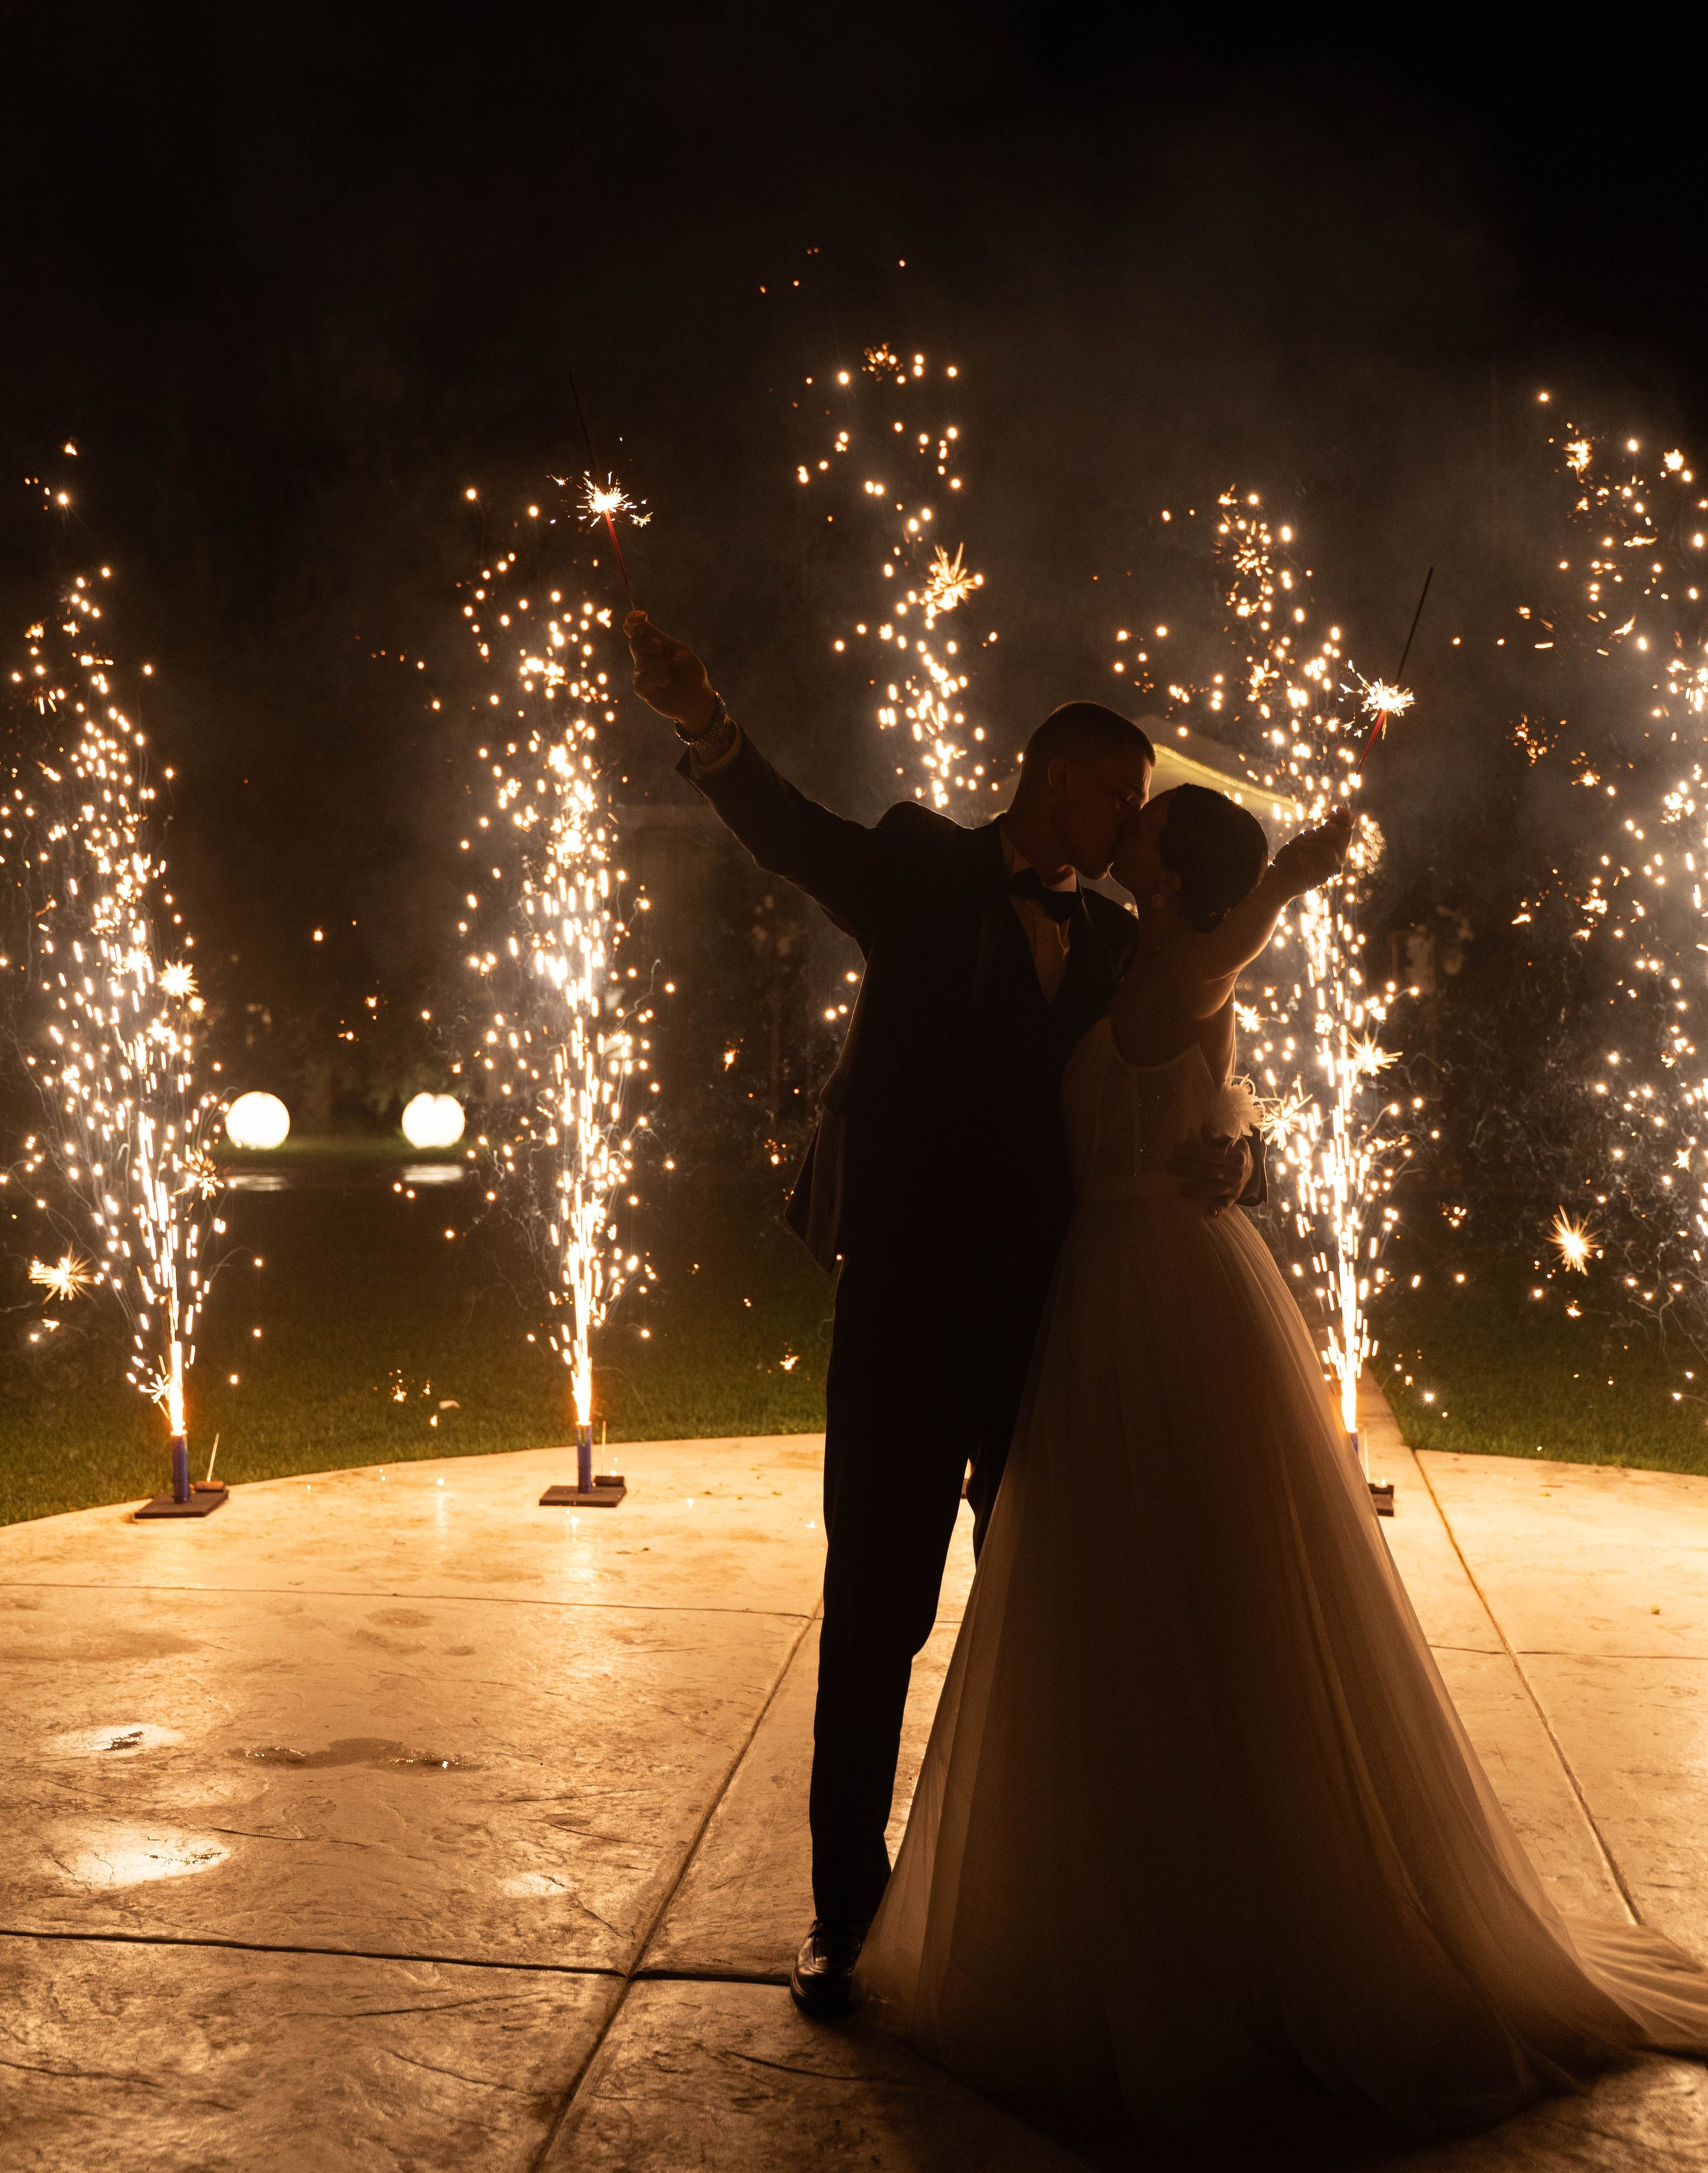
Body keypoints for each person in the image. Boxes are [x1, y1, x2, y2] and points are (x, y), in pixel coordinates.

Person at [857, 781, 1708, 2142]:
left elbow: (1221, 968)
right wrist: (1238, 1140)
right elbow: (1198, 1083)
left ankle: (1231, 1937)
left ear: (1180, 873)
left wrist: (1297, 872)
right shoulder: (1139, 958)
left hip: (1163, 1296)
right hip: (1106, 1289)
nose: (1120, 826)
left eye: (1143, 824)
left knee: (1207, 1585)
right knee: (1117, 1604)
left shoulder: (1196, 951)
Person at [625, 608, 1260, 2016]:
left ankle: (1047, 1903)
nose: (1133, 811)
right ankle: (844, 1919)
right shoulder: (918, 862)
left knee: (1052, 1615)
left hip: (1055, 1329)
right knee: (874, 1613)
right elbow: (792, 833)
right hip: (907, 1314)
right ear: (1055, 778)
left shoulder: (1115, 938)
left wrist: (1239, 1153)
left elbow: (1188, 1079)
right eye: (1120, 786)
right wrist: (702, 718)